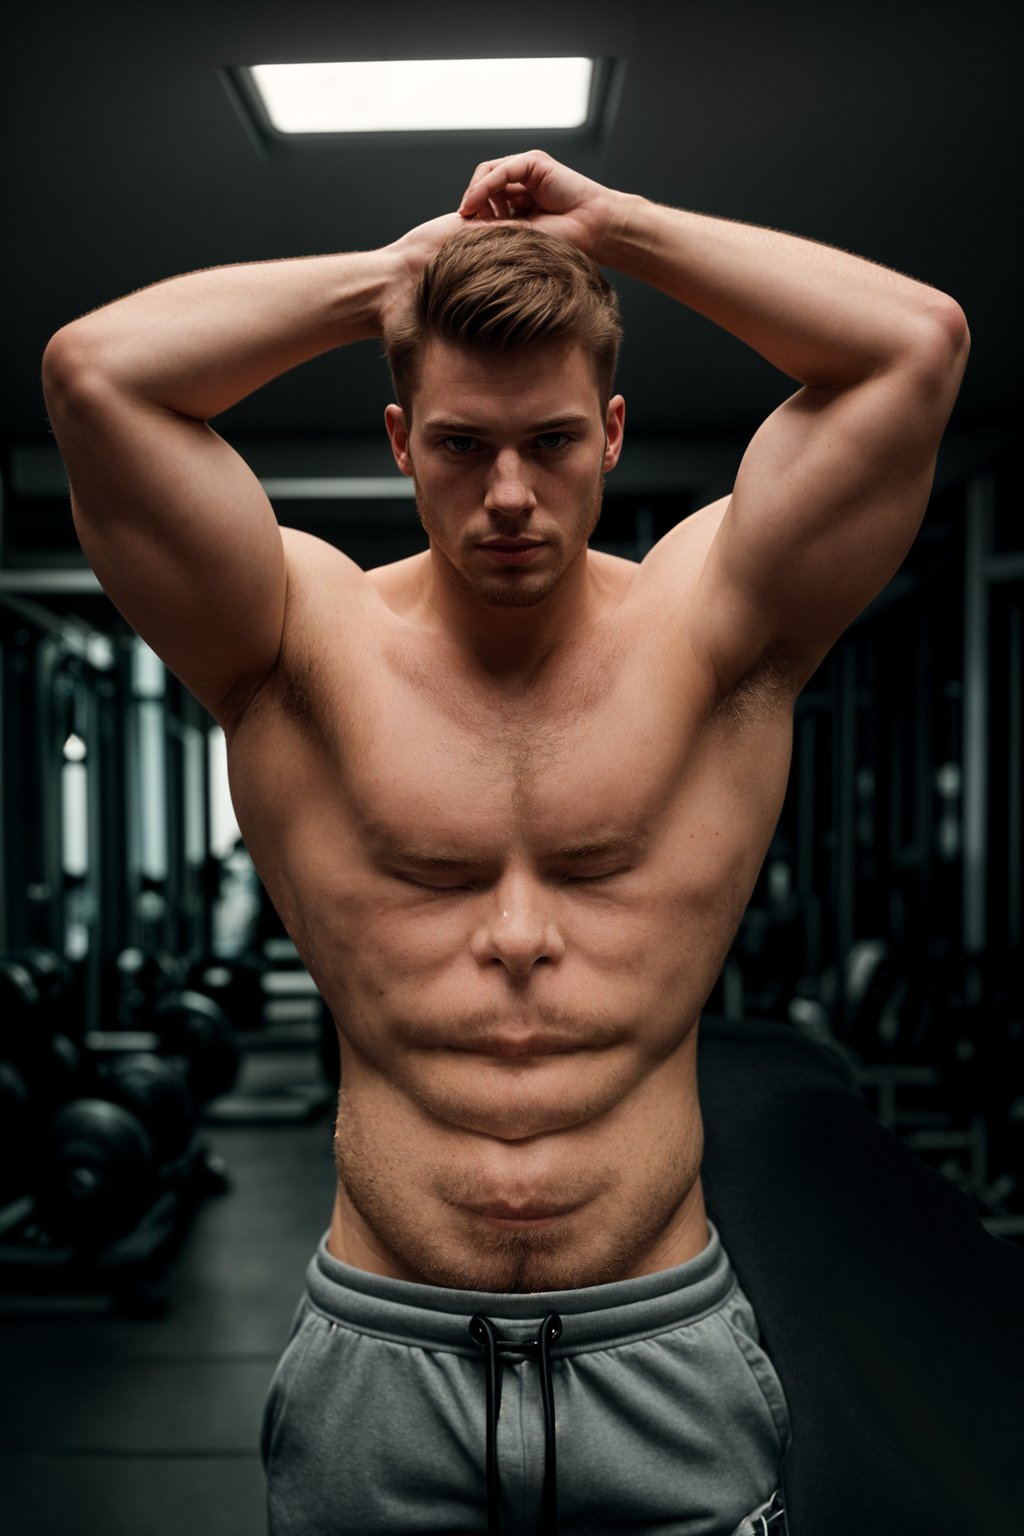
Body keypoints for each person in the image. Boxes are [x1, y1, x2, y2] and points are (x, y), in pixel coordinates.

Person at [42, 150, 969, 1535]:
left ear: (609, 430)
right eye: (465, 445)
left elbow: (917, 343)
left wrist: (616, 229)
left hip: (661, 1345)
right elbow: (94, 373)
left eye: (549, 441)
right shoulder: (300, 638)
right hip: (381, 1355)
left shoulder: (712, 629)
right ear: (402, 439)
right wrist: (389, 280)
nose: (513, 494)